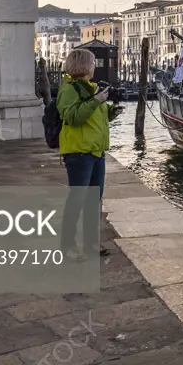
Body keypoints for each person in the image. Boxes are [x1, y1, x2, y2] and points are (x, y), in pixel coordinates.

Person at [57, 47, 111, 261]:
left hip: (96, 151)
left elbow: (92, 116)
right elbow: (73, 117)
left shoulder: (91, 88)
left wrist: (110, 110)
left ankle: (90, 243)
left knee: (93, 200)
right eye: (92, 62)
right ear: (83, 65)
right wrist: (96, 101)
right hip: (79, 153)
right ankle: (67, 246)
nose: (94, 66)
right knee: (77, 200)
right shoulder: (69, 89)